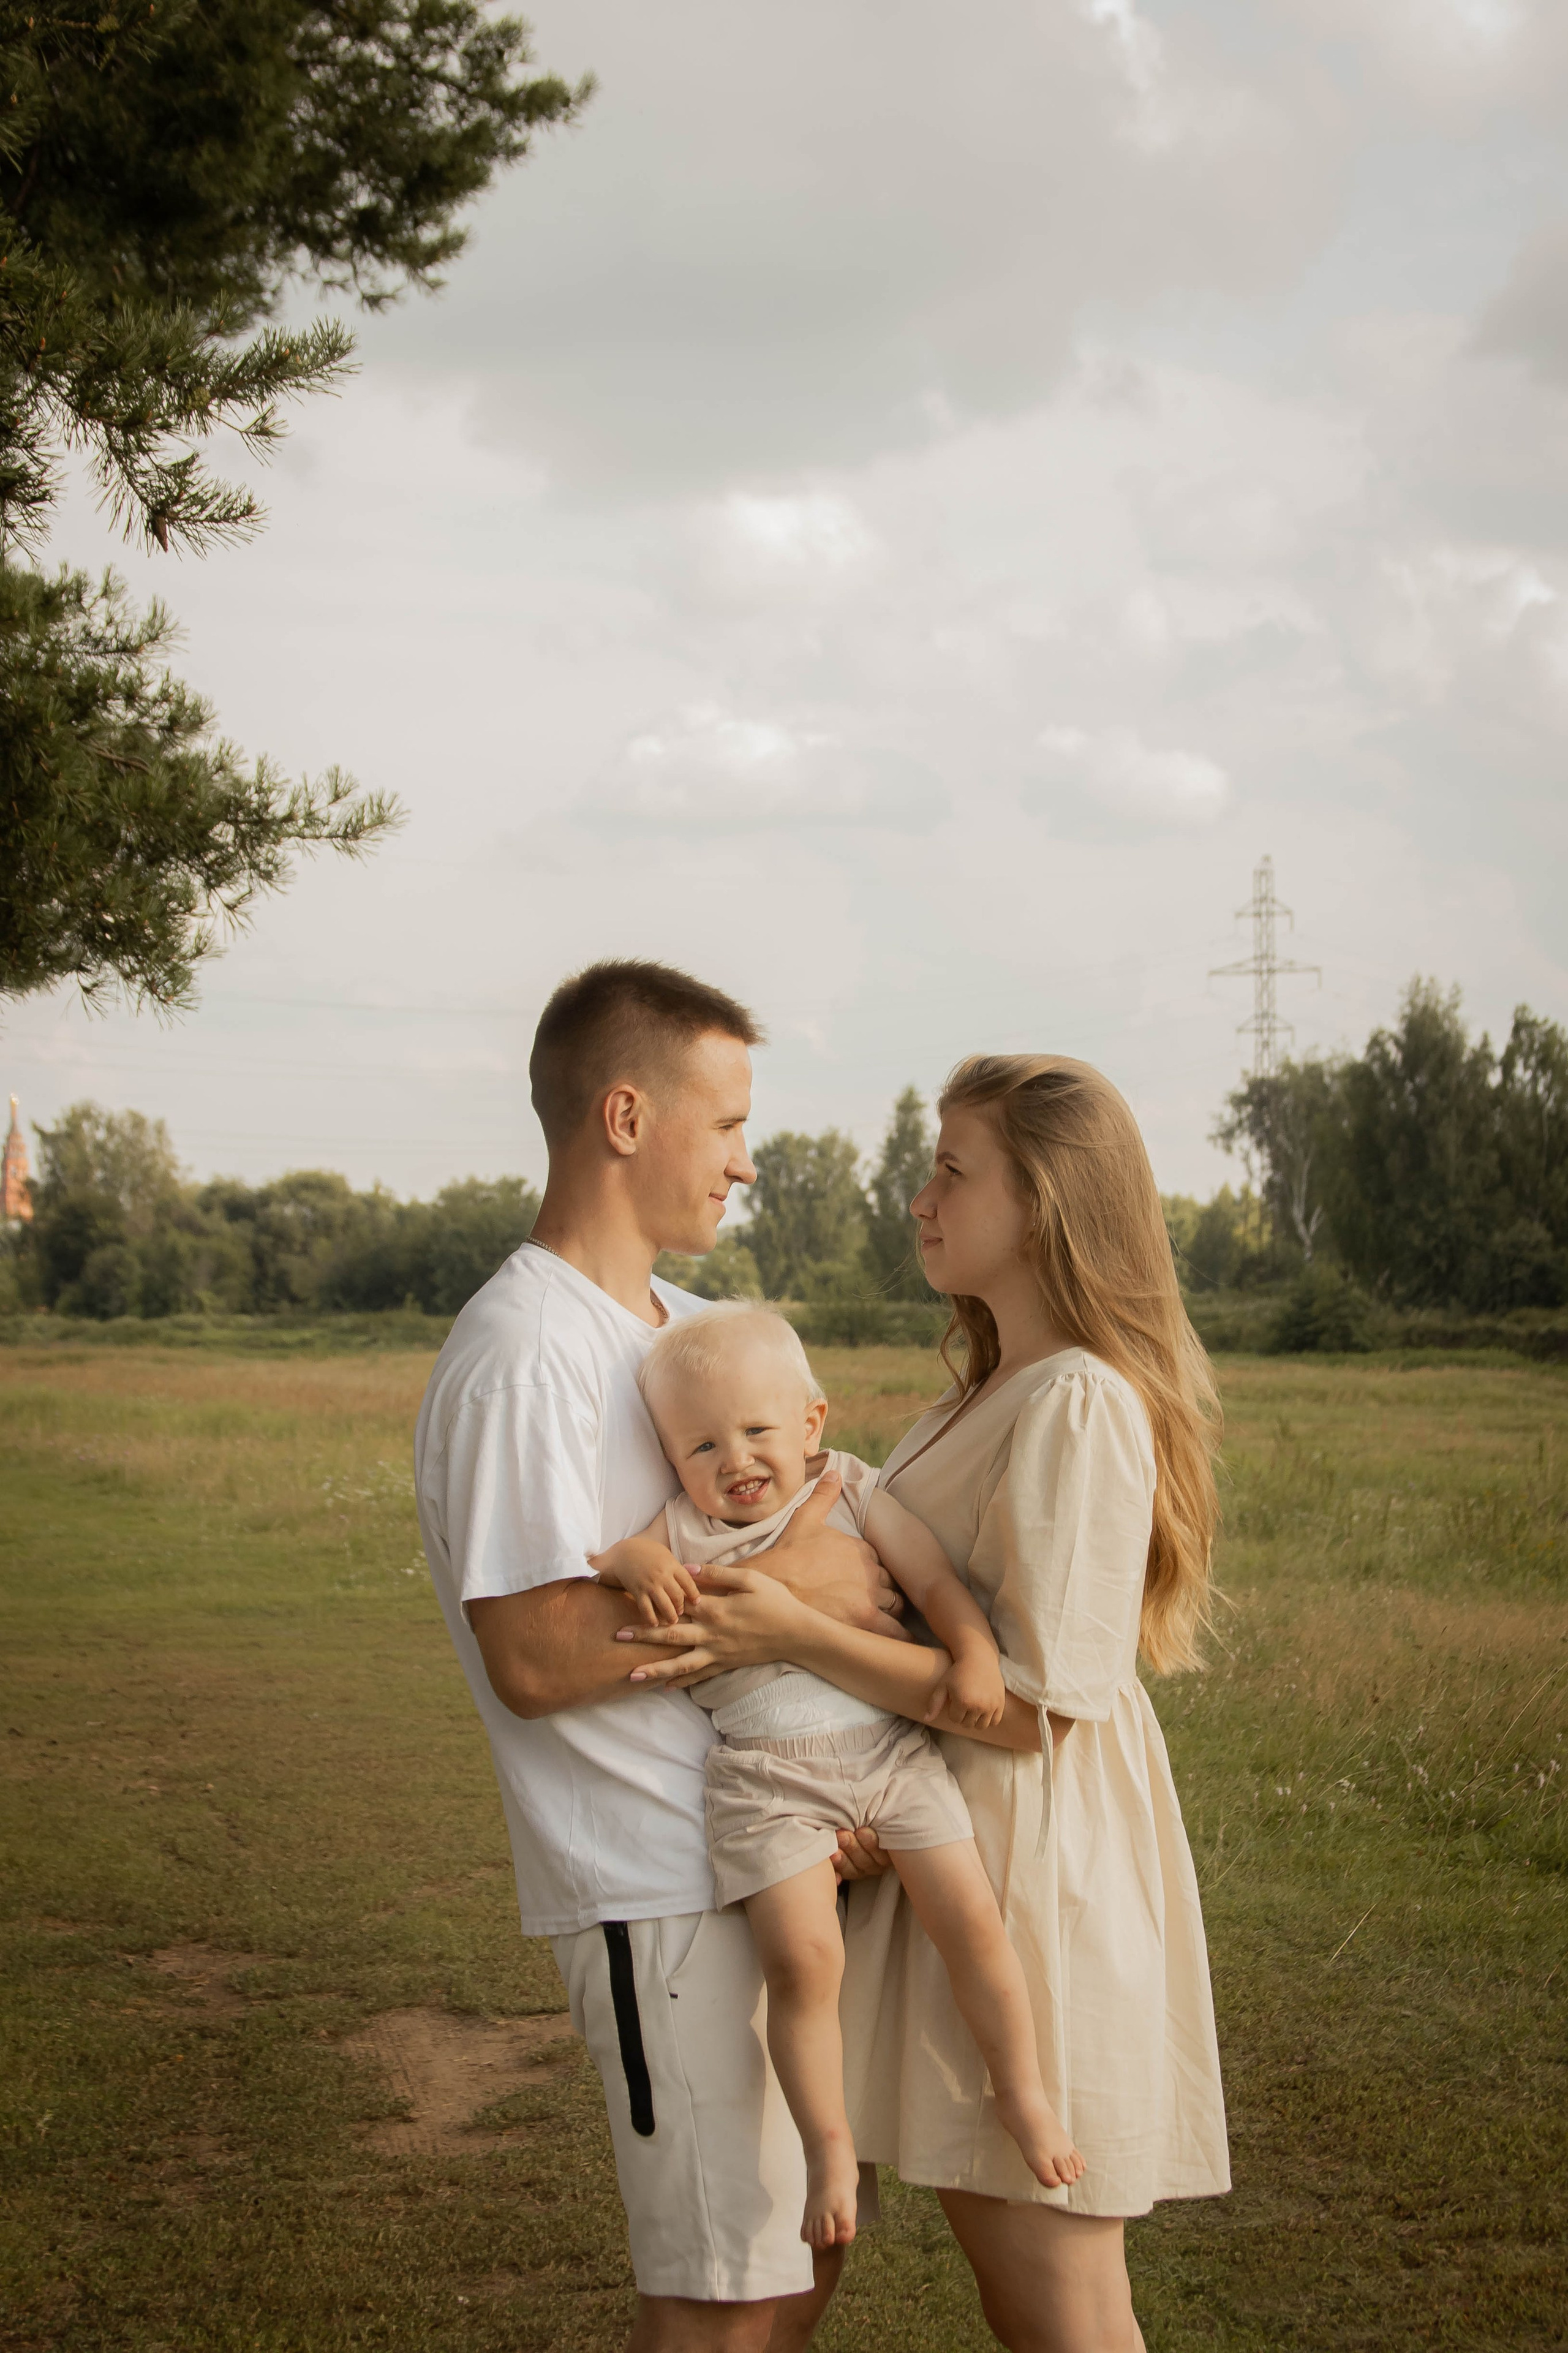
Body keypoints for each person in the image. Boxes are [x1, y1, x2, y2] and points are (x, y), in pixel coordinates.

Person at [625, 1053, 1231, 2353]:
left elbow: (1029, 1708)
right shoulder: (988, 1390)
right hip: (945, 1834)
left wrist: (784, 1626)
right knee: (989, 2291)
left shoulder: (1077, 1398)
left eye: (953, 1169)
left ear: (1046, 1203)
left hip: (1034, 1873)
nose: (920, 1197)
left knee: (1061, 2307)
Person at [414, 961, 902, 2353]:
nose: (747, 1163)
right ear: (625, 1116)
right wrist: (792, 1586)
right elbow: (530, 1653)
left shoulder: (691, 1336)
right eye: (728, 1124)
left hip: (766, 1853)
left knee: (799, 2260)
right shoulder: (525, 1351)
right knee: (718, 2303)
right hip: (654, 1884)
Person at [592, 1302, 1084, 2251]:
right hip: (764, 1783)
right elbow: (619, 1559)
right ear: (670, 1456)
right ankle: (829, 2148)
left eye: (758, 1430)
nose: (734, 1459)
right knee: (804, 1962)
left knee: (973, 1922)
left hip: (892, 1757)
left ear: (811, 1421)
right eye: (700, 1445)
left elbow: (934, 1583)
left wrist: (975, 1653)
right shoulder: (685, 1528)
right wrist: (633, 1559)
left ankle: (1022, 2094)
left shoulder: (851, 1486)